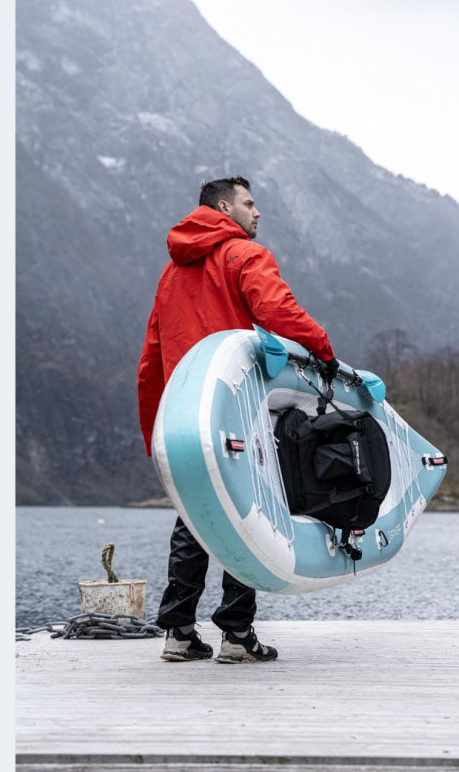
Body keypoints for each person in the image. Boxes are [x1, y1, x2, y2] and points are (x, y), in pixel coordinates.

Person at [137, 176, 339, 663]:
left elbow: (152, 358)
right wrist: (322, 347)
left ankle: (179, 633)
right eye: (250, 203)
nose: (258, 212)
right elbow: (277, 309)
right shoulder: (243, 255)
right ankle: (235, 635)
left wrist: (155, 432)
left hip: (185, 415)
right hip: (236, 409)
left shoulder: (171, 273)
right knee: (246, 512)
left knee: (194, 519)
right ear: (224, 207)